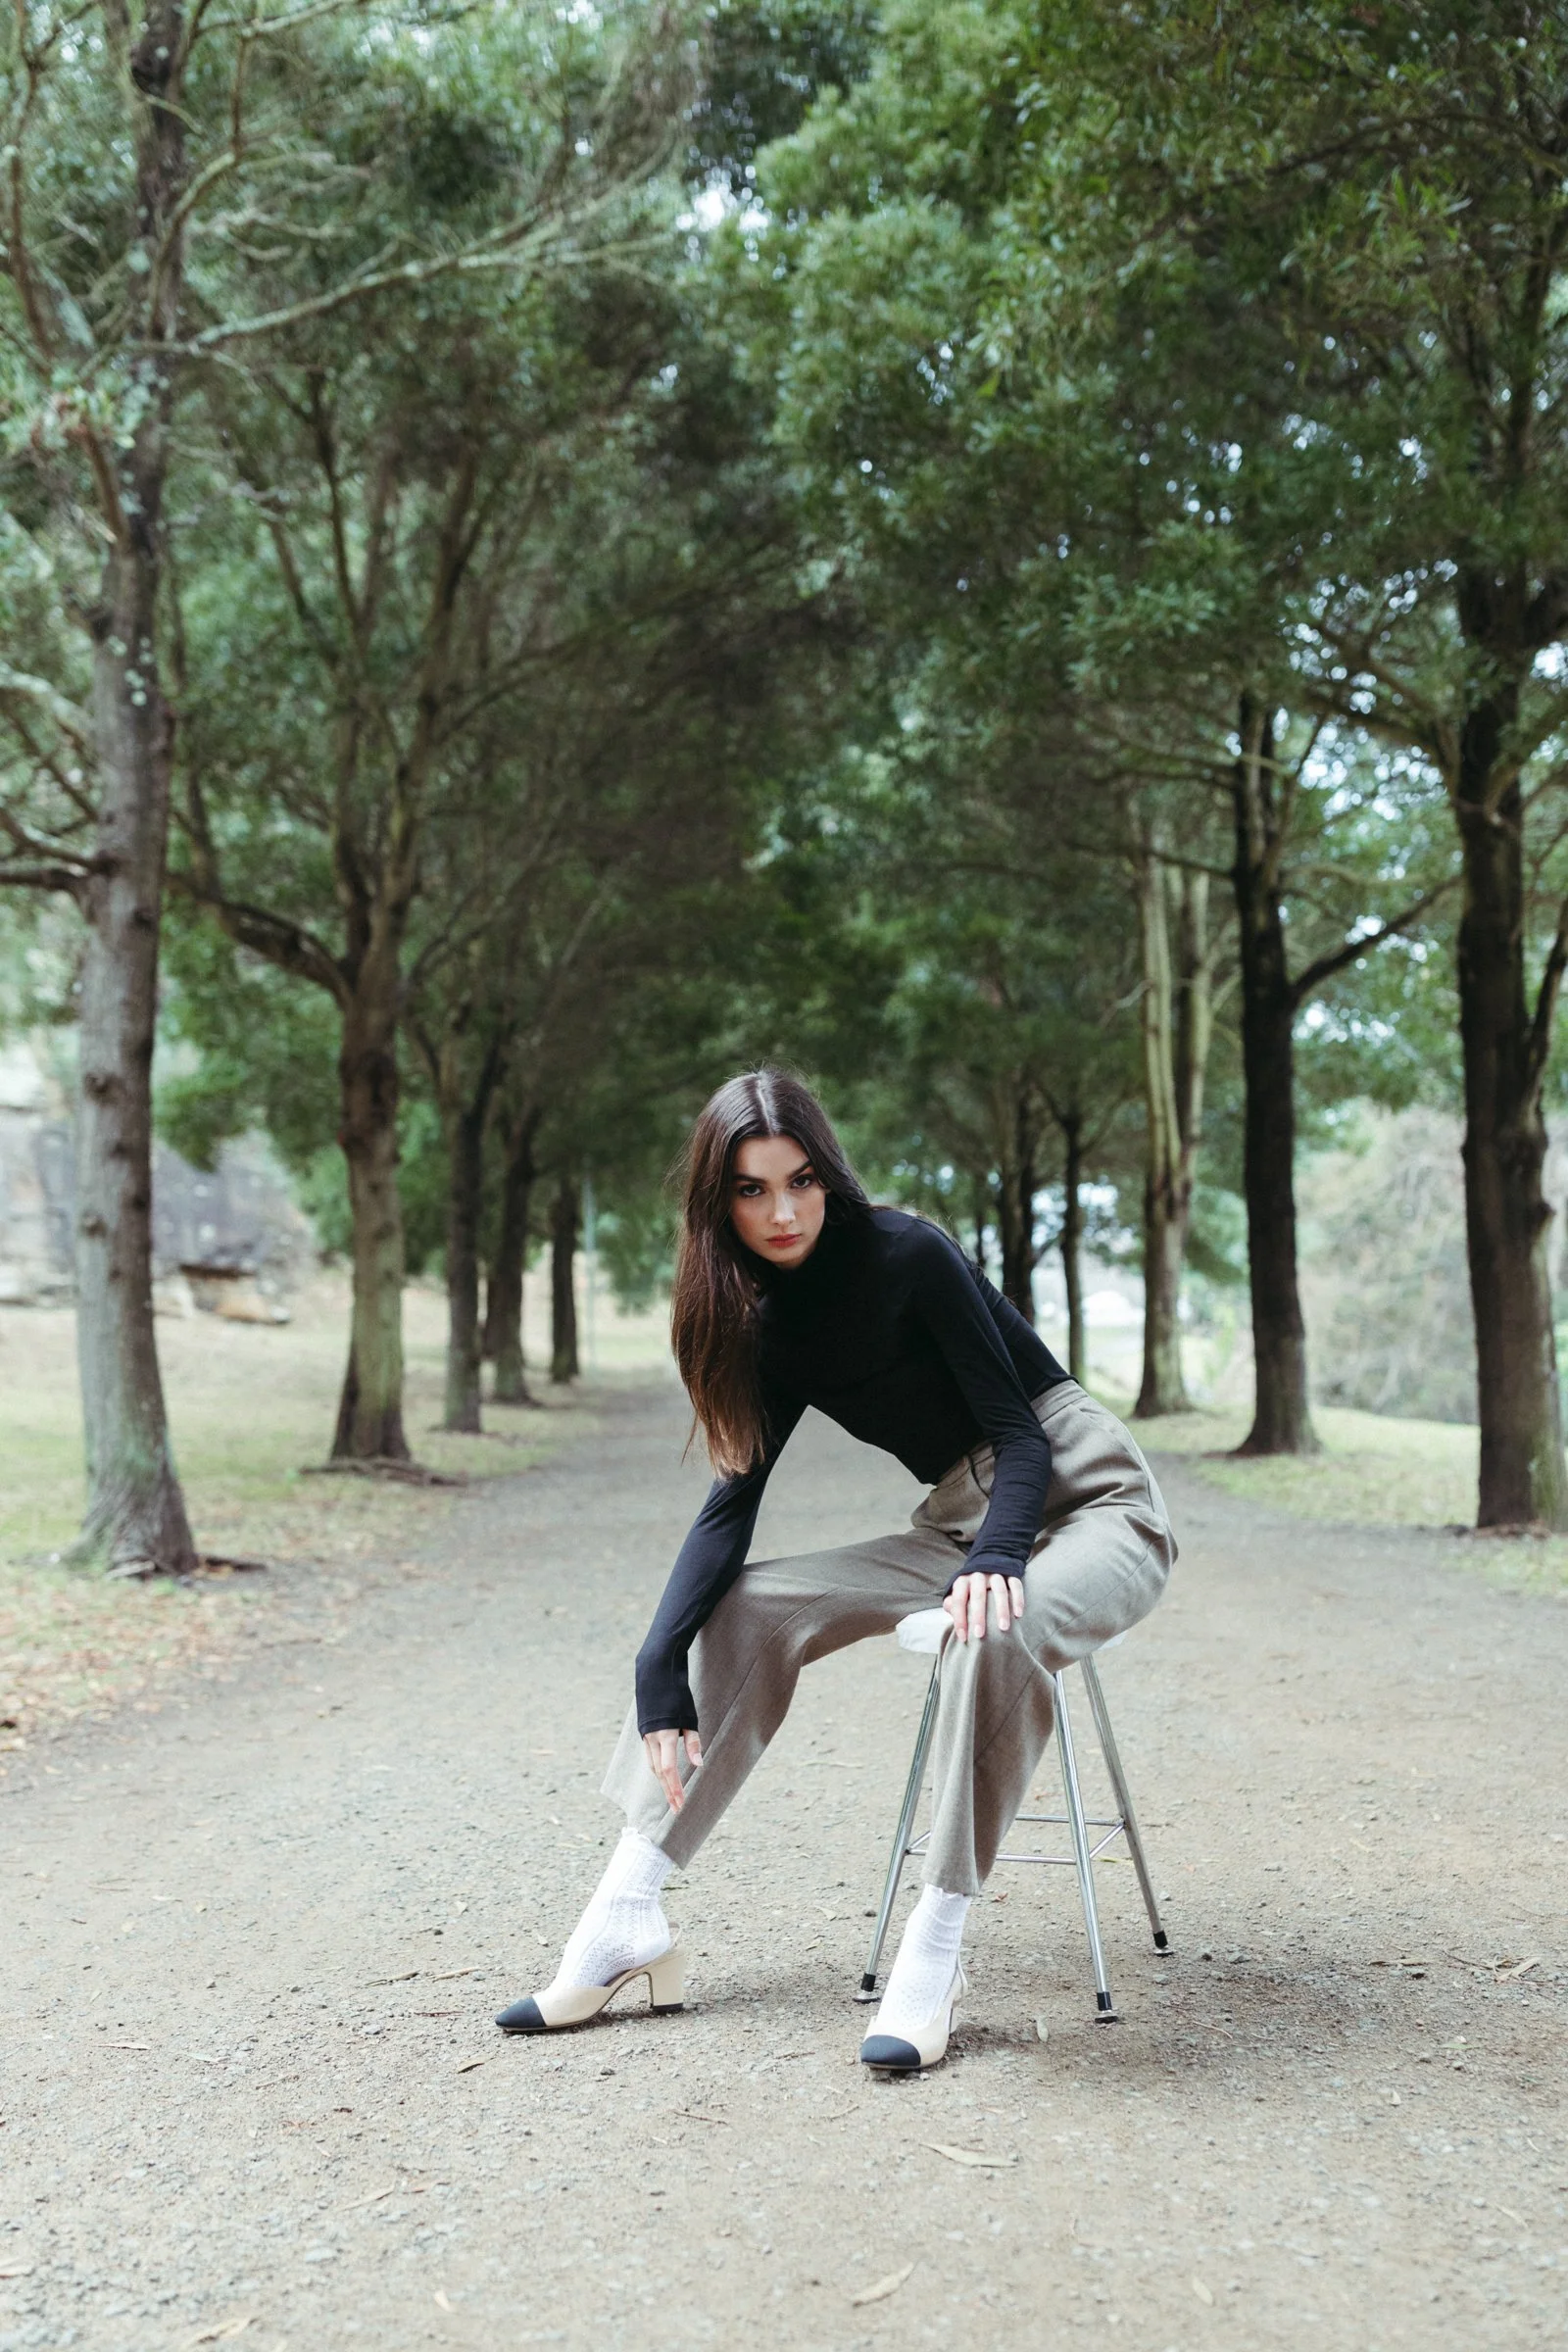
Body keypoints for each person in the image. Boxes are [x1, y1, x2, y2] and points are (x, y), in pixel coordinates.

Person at [496, 1070, 1176, 2071]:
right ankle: (626, 1913)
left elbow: (1021, 1437)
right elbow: (731, 1505)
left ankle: (933, 1948)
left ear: (828, 1176)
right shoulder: (762, 1326)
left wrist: (999, 1558)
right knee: (746, 1605)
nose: (783, 1212)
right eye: (752, 1190)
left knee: (997, 1623)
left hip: (1092, 1501)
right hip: (963, 1522)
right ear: (718, 1203)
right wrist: (657, 1662)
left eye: (801, 1181)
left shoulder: (907, 1254)